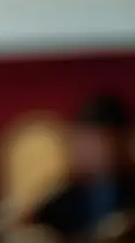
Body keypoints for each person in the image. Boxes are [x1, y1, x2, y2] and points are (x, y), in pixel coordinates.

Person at [23, 94, 135, 242]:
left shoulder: (129, 190)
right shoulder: (65, 194)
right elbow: (34, 224)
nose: (89, 151)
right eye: (84, 142)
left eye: (100, 142)